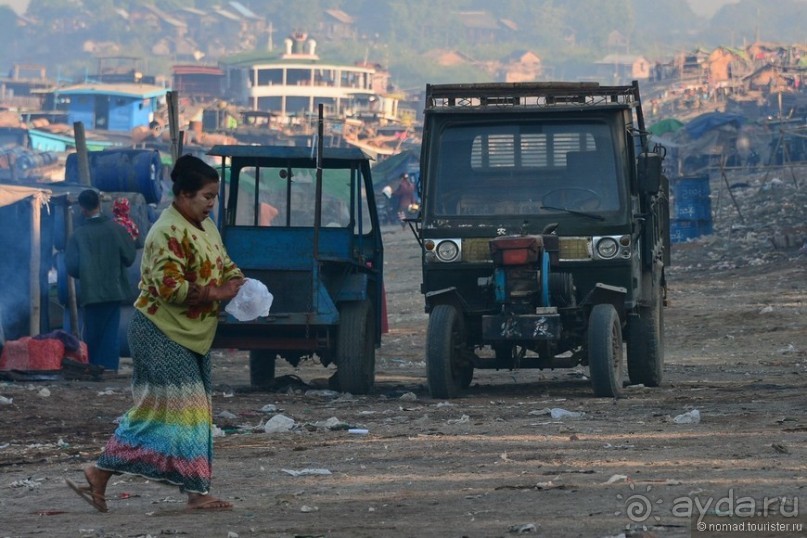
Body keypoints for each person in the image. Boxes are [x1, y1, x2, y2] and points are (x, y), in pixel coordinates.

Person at [65, 155, 245, 512]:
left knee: (192, 413)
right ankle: (102, 470)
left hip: (192, 333)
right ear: (183, 194)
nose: (212, 203)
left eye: (214, 196)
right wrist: (218, 293)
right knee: (166, 411)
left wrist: (238, 281)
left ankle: (191, 490)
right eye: (206, 196)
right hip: (161, 331)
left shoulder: (205, 227)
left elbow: (224, 263)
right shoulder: (166, 231)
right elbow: (170, 288)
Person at [65, 189, 136, 373]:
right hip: (114, 290)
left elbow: (71, 266)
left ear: (82, 208)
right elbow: (129, 257)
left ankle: (95, 369)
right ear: (99, 204)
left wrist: (87, 274)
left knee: (93, 333)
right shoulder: (117, 229)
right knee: (110, 332)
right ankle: (110, 368)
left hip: (91, 292)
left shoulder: (78, 235)